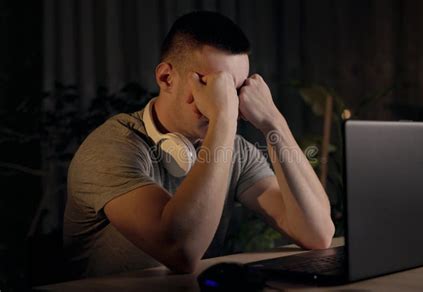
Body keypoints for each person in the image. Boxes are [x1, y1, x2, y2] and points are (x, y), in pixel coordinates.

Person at [63, 11, 334, 279]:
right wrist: (224, 118)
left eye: (236, 91)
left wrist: (274, 122)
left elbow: (317, 234)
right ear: (166, 78)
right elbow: (181, 251)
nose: (229, 102)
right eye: (215, 86)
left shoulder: (235, 150)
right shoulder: (111, 147)